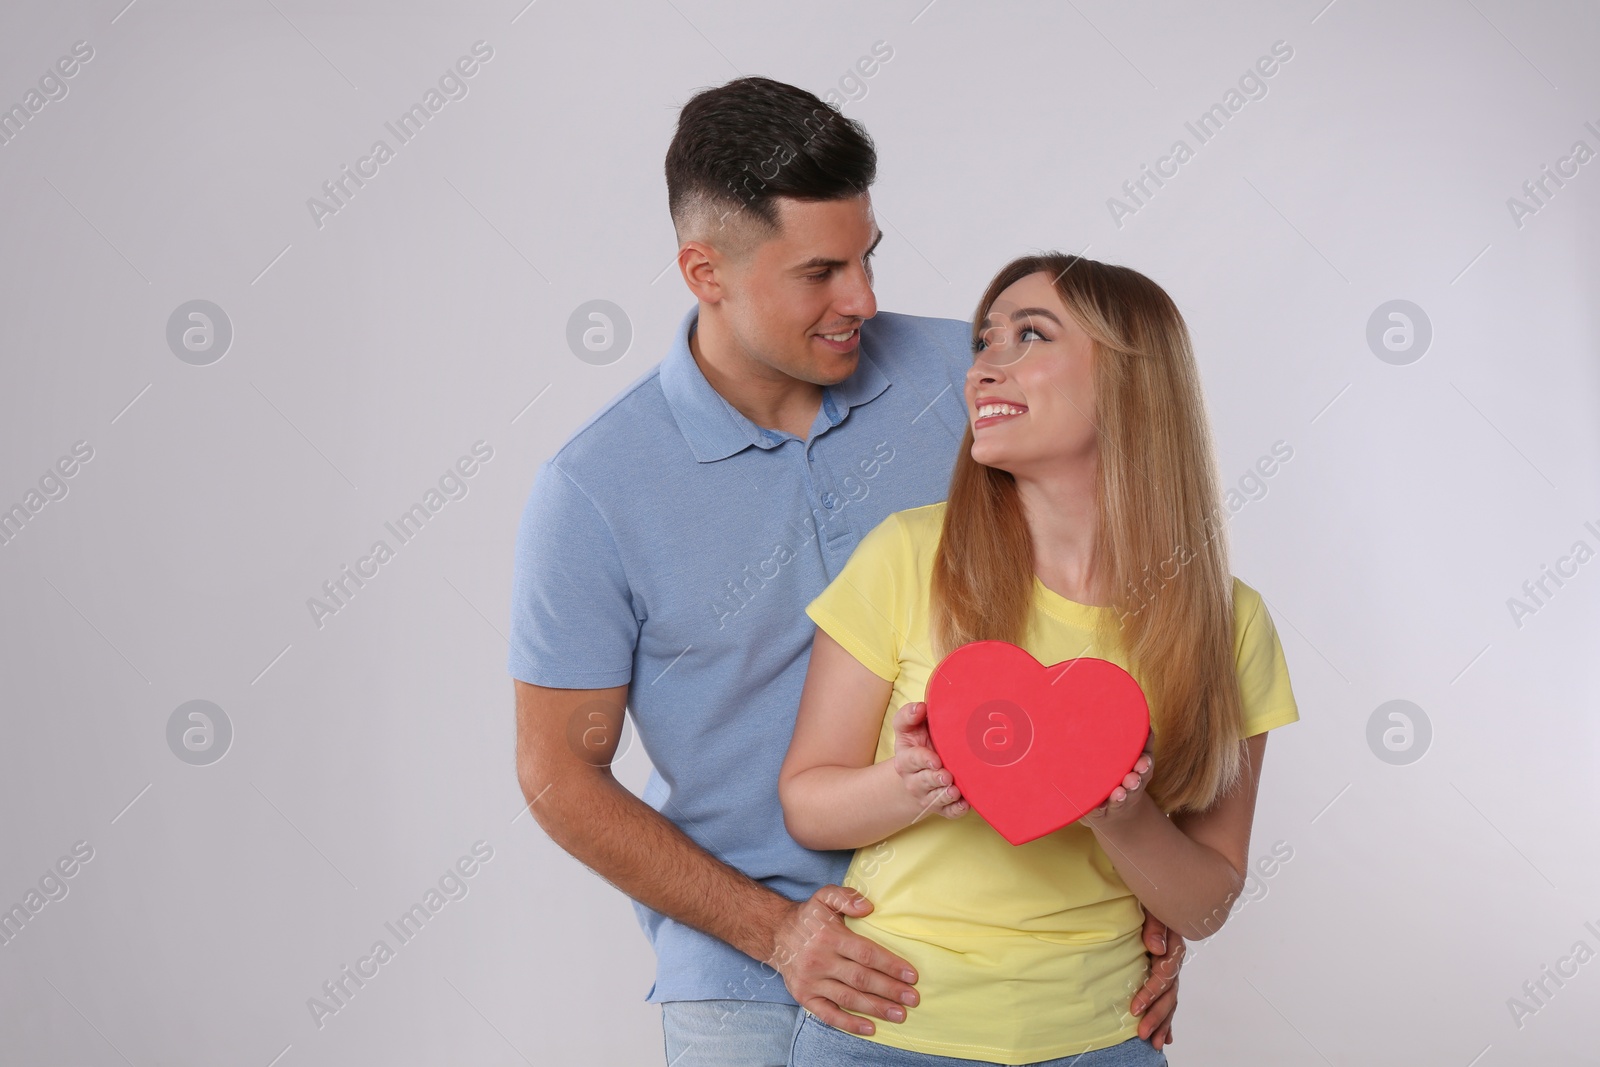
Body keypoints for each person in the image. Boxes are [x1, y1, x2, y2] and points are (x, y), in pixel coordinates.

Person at [509, 77, 1185, 1067]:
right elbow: (559, 772)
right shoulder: (595, 488)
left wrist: (1160, 882)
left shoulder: (969, 383)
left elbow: (1130, 612)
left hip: (1000, 961)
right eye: (819, 271)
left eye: (867, 257)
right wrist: (773, 932)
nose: (861, 299)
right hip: (742, 983)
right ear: (706, 271)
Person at [779, 253, 1300, 1066]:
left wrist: (1124, 817)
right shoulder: (907, 557)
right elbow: (807, 802)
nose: (986, 366)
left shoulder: (1228, 622)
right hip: (882, 1035)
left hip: (1100, 1042)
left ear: (1132, 380)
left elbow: (1204, 903)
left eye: (1030, 335)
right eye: (985, 341)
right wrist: (910, 781)